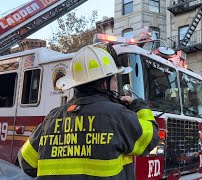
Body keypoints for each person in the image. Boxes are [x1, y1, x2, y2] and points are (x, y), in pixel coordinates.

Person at [18, 45, 160, 179]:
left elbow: (25, 162)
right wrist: (139, 105)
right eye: (114, 79)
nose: (116, 85)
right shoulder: (117, 115)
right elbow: (151, 138)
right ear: (105, 83)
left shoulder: (51, 119)